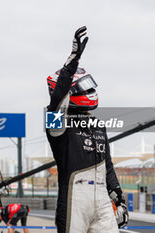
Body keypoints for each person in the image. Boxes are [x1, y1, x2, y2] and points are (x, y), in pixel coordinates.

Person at [46, 26, 128, 233]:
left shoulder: (98, 126)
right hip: (74, 196)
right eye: (84, 87)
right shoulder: (56, 124)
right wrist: (73, 60)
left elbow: (107, 166)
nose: (91, 91)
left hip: (101, 195)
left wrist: (119, 198)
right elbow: (56, 100)